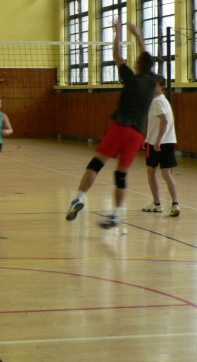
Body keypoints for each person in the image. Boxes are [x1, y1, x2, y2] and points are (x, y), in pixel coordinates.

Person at [65, 19, 157, 229]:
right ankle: (115, 215)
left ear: (137, 65)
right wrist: (138, 35)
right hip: (137, 135)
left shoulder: (131, 79)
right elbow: (146, 57)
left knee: (96, 164)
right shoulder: (153, 81)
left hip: (120, 128)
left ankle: (78, 198)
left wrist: (118, 31)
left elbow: (117, 55)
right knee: (121, 175)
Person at [142, 75, 180, 217]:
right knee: (167, 174)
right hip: (169, 141)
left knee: (151, 172)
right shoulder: (164, 100)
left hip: (156, 143)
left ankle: (157, 204)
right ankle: (175, 204)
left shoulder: (156, 101)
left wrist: (157, 140)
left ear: (162, 87)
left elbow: (164, 120)